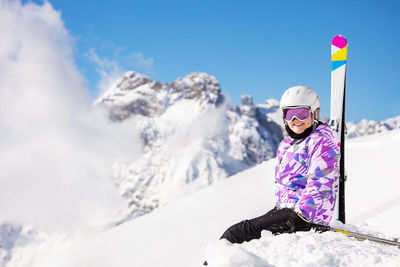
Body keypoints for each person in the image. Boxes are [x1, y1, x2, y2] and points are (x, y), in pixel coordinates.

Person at [220, 85, 341, 244]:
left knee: (235, 235)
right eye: (289, 114)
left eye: (301, 113)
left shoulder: (321, 142)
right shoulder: (287, 144)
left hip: (305, 216)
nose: (295, 120)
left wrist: (300, 217)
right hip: (287, 210)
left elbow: (321, 184)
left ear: (314, 113)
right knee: (244, 239)